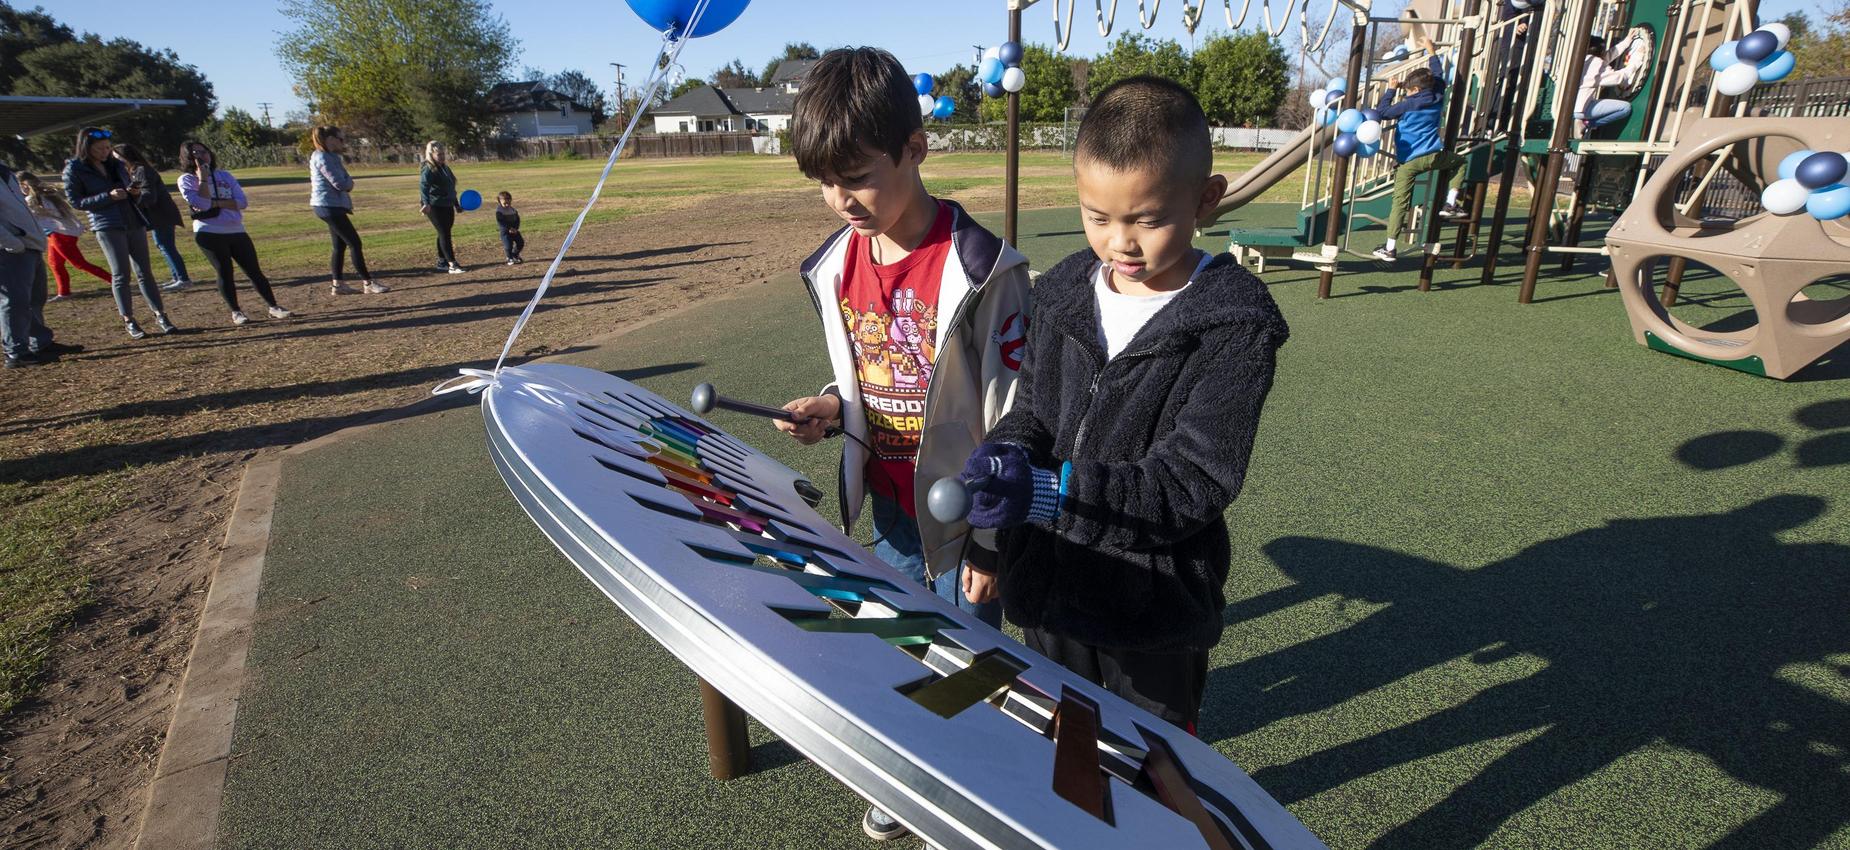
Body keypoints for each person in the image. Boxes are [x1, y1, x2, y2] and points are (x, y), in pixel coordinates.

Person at [954, 75, 1286, 739]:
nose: (1121, 244)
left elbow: (1192, 481)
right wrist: (1002, 479)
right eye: (1098, 217)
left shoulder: (1234, 325)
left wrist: (1052, 496)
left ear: (1206, 200)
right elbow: (1035, 414)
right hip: (1048, 593)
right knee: (1058, 743)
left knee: (1151, 768)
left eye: (1148, 218)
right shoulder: (1061, 296)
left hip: (1151, 612)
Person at [772, 46, 1032, 843]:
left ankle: (975, 785)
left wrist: (991, 542)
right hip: (885, 508)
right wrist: (829, 405)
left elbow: (1015, 414)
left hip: (962, 518)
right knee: (896, 647)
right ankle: (913, 773)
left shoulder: (985, 269)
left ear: (917, 149)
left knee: (969, 664)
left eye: (856, 176)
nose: (838, 199)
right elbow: (867, 371)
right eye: (824, 180)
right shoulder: (835, 263)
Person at [62, 126, 176, 339]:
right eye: (100, 149)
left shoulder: (116, 165)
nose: (105, 152)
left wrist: (133, 192)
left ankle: (161, 315)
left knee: (145, 272)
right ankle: (129, 320)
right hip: (107, 225)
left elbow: (130, 188)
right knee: (121, 274)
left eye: (107, 148)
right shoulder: (74, 169)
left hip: (133, 221)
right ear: (87, 147)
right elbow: (76, 202)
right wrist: (108, 197)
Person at [1370, 41, 1470, 262]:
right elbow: (1438, 73)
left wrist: (1391, 90)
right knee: (1460, 162)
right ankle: (1450, 203)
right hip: (1435, 156)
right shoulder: (1438, 95)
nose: (1406, 94)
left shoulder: (1408, 105)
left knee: (1400, 202)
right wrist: (1432, 51)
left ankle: (1390, 247)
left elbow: (1382, 113)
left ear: (1415, 90)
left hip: (1409, 162)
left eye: (1407, 90)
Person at [176, 140, 292, 325]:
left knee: (254, 270)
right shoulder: (187, 180)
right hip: (209, 232)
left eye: (204, 151)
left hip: (236, 230)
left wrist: (217, 202)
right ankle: (236, 312)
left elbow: (242, 202)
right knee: (225, 272)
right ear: (188, 158)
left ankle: (274, 307)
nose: (201, 156)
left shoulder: (225, 176)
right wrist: (203, 178)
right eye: (195, 153)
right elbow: (203, 204)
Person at [1, 156, 64, 367]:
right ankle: (16, 351)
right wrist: (11, 242)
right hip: (10, 249)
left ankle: (40, 343)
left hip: (30, 244)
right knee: (15, 301)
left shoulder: (6, 173)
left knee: (34, 298)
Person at [309, 126, 387, 295]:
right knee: (355, 243)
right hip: (328, 206)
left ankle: (338, 285)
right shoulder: (323, 157)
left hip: (331, 205)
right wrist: (349, 182)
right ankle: (368, 282)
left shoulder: (330, 156)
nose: (343, 143)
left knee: (339, 245)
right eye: (340, 139)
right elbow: (341, 183)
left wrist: (347, 181)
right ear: (330, 139)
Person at [112, 142, 195, 292]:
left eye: (117, 157)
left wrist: (133, 198)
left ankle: (183, 279)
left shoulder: (141, 170)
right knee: (163, 245)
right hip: (157, 216)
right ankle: (177, 277)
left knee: (166, 245)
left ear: (125, 157)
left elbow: (150, 196)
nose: (115, 161)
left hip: (161, 215)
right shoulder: (135, 171)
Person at [19, 171, 110, 300]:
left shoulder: (33, 200)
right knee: (55, 263)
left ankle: (113, 281)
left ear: (24, 185)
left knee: (79, 263)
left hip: (60, 235)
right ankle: (64, 292)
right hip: (58, 234)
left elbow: (27, 217)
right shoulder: (48, 196)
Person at [1574, 36, 1637, 135]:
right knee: (1625, 108)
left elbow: (1608, 57)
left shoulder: (1580, 60)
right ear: (1601, 51)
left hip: (1569, 107)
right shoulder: (1597, 62)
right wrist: (1635, 64)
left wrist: (1627, 40)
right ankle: (1588, 124)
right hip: (1581, 109)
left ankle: (1582, 122)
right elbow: (1618, 78)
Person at [419, 141, 463, 273]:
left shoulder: (445, 168)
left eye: (443, 154)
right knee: (444, 233)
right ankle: (452, 264)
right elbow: (423, 187)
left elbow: (450, 188)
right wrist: (426, 203)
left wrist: (456, 204)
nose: (442, 156)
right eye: (439, 154)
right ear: (431, 154)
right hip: (434, 206)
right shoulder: (428, 169)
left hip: (447, 204)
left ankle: (442, 261)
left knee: (444, 232)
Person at [494, 191, 524, 264]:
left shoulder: (513, 210)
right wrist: (509, 228)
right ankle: (509, 258)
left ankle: (515, 254)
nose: (507, 205)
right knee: (508, 245)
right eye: (505, 203)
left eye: (509, 203)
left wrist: (516, 228)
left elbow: (517, 220)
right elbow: (501, 222)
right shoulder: (499, 211)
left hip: (514, 231)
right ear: (499, 202)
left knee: (520, 243)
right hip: (505, 232)